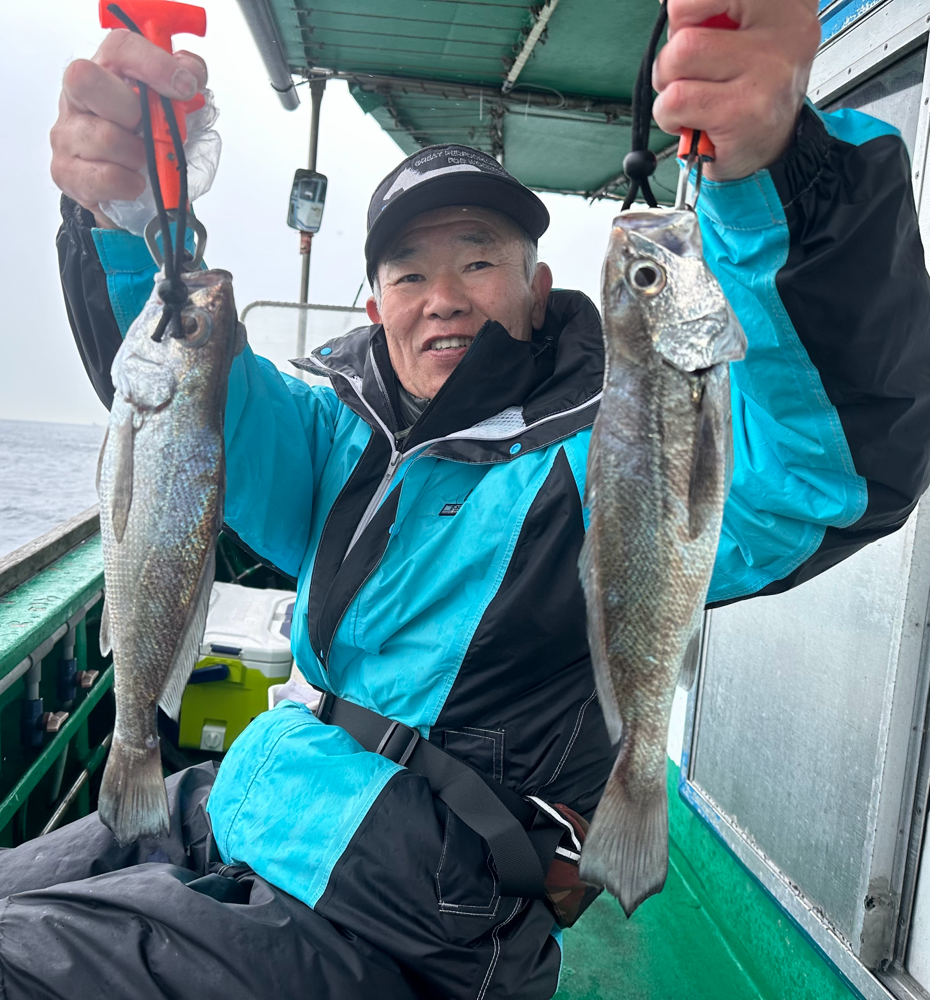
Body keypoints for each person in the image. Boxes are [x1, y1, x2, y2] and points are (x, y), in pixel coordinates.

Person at [16, 1, 927, 997]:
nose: (443, 295)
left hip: (409, 914)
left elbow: (819, 474)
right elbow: (177, 394)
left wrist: (771, 172)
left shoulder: (601, 460)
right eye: (410, 272)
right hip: (249, 797)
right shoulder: (333, 438)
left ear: (539, 288)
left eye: (479, 259)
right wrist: (127, 222)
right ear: (376, 309)